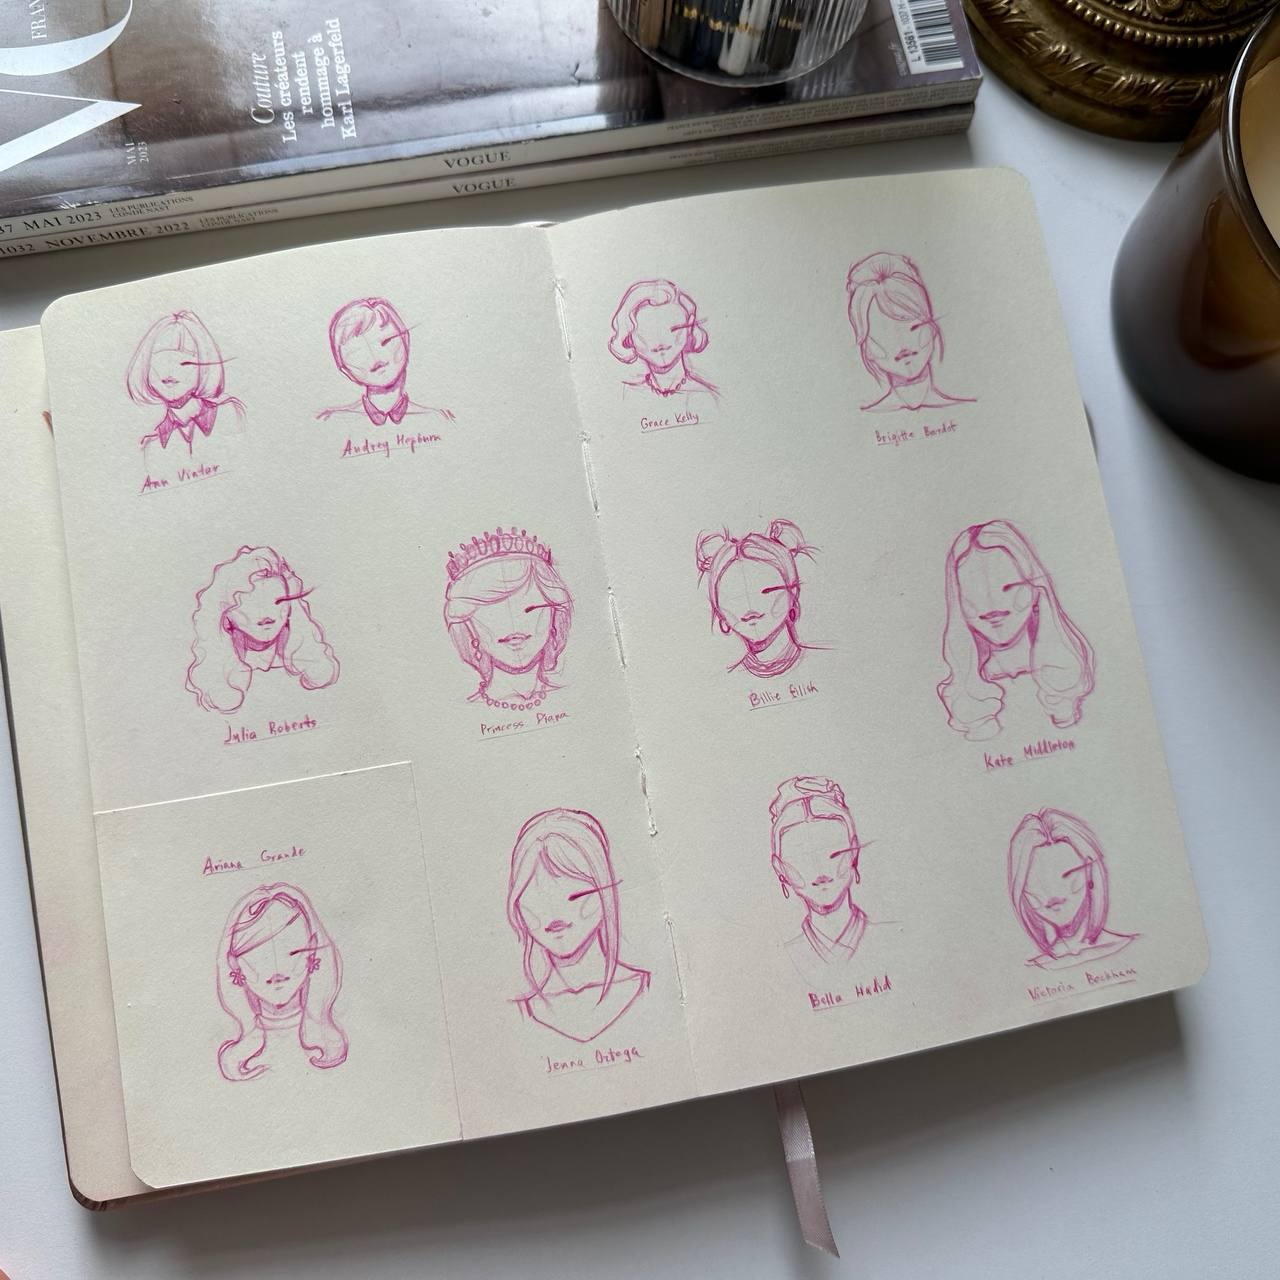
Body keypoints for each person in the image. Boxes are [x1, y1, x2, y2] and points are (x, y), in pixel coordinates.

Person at [937, 519, 1095, 741]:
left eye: (1008, 587)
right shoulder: (963, 693)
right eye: (972, 593)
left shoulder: (1070, 675)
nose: (991, 607)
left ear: (1035, 588)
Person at [506, 808, 650, 1043]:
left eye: (571, 893)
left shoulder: (645, 989)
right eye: (534, 895)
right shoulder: (520, 1013)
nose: (553, 911)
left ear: (604, 891)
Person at [216, 883, 347, 1081]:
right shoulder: (239, 1056)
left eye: (292, 950)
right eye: (259, 956)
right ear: (234, 964)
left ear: (312, 950)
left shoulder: (329, 1043)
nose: (276, 971)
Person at [186, 546, 340, 714]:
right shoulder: (216, 676)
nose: (266, 613)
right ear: (226, 615)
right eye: (252, 603)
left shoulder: (303, 665)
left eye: (278, 601)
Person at [443, 528, 572, 711]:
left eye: (529, 606)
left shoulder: (575, 695)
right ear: (469, 625)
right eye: (492, 608)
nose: (514, 623)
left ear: (554, 615)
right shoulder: (460, 710)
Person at [1008, 808, 1137, 970]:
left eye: (1066, 875)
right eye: (1034, 882)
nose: (1051, 892)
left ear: (1090, 873)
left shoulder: (1130, 948)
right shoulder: (1033, 968)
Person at [770, 776, 869, 984]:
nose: (820, 871)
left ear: (854, 849)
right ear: (780, 868)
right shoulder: (781, 959)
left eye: (832, 851)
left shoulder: (891, 939)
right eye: (801, 857)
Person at [845, 252, 974, 412]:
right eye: (883, 334)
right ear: (867, 349)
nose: (902, 344)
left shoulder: (967, 408)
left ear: (932, 329)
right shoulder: (866, 416)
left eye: (913, 327)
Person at [695, 519, 815, 678]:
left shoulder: (821, 663)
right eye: (734, 597)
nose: (749, 607)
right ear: (721, 616)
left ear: (792, 598)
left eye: (766, 591)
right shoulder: (724, 679)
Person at [317, 296, 455, 426]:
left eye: (386, 341)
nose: (375, 356)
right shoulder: (331, 420)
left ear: (406, 340)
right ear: (346, 371)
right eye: (358, 353)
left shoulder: (438, 418)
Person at [126, 311, 244, 461]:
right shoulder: (152, 445)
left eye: (184, 361)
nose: (170, 370)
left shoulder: (231, 412)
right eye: (160, 360)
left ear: (204, 367)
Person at [608, 279, 720, 403]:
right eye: (647, 332)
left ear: (689, 327)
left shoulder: (708, 397)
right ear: (629, 339)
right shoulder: (624, 396)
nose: (660, 341)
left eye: (672, 328)